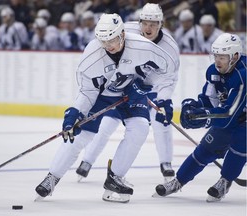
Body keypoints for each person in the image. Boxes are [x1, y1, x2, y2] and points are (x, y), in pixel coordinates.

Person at [35, 13, 175, 203]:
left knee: (140, 128)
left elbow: (168, 68)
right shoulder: (91, 56)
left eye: (112, 39)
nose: (108, 45)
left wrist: (144, 84)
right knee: (81, 134)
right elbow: (87, 91)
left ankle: (115, 177)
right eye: (103, 41)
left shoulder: (143, 47)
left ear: (123, 35)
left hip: (132, 94)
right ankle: (52, 177)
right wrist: (76, 112)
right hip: (103, 96)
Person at [76, 3, 180, 182]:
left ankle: (166, 163)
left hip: (151, 89)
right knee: (108, 122)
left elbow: (170, 77)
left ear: (161, 24)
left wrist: (164, 99)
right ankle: (87, 160)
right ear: (140, 22)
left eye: (153, 23)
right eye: (145, 23)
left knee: (161, 123)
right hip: (125, 87)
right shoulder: (126, 31)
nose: (148, 27)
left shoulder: (170, 46)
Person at [154, 33, 246, 202]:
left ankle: (225, 181)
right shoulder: (213, 71)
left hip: (242, 122)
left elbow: (229, 113)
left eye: (223, 57)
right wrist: (195, 107)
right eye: (216, 56)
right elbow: (209, 100)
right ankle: (178, 181)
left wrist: (204, 117)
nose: (218, 61)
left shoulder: (243, 75)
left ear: (235, 56)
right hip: (232, 118)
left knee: (239, 148)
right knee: (204, 151)